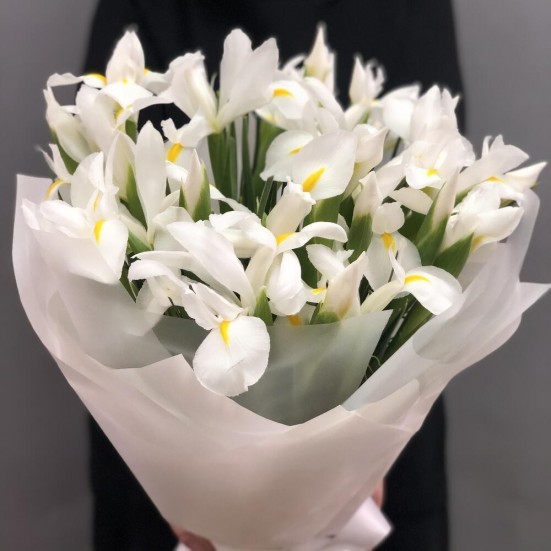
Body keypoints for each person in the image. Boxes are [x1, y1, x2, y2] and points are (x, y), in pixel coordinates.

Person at [84, 1, 464, 549]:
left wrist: (358, 449)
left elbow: (440, 172)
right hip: (166, 454)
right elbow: (110, 181)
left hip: (375, 452)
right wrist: (181, 473)